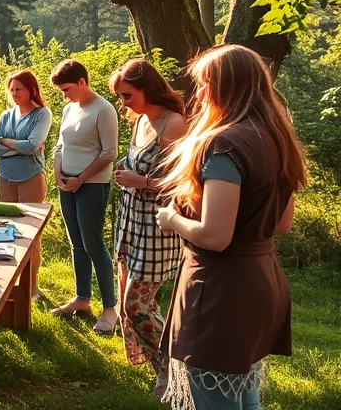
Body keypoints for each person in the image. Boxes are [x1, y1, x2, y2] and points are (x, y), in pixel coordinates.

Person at [155, 45, 306, 410]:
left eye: (204, 84)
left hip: (221, 293)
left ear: (225, 87)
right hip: (262, 284)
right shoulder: (277, 139)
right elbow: (281, 225)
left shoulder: (224, 144)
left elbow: (215, 236)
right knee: (244, 399)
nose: (199, 94)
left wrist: (172, 219)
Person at [108, 59, 187, 397]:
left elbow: (182, 182)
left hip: (157, 229)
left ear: (148, 89)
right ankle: (164, 372)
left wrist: (140, 181)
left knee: (135, 306)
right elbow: (141, 163)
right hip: (131, 222)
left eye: (127, 95)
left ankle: (175, 365)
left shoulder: (174, 124)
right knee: (142, 305)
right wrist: (127, 169)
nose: (123, 102)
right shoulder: (141, 120)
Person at [49, 59, 120, 334]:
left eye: (67, 89)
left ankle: (110, 309)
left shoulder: (104, 109)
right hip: (67, 185)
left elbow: (109, 153)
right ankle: (82, 299)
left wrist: (81, 178)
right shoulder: (69, 109)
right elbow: (59, 146)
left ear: (82, 82)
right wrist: (59, 175)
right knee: (76, 243)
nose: (64, 95)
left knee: (93, 244)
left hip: (92, 186)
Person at [0, 69, 52, 298]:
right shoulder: (7, 115)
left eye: (19, 89)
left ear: (31, 89)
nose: (15, 93)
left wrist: (7, 142)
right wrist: (19, 145)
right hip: (4, 177)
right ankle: (10, 284)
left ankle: (32, 287)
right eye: (12, 89)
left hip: (30, 177)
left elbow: (32, 145)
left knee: (30, 233)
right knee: (7, 229)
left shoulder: (42, 114)